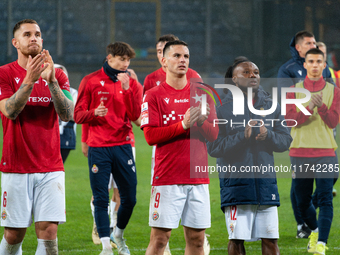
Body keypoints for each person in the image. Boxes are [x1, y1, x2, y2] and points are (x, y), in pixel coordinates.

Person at [0, 19, 74, 255]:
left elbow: (67, 113)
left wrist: (51, 81)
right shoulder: (4, 74)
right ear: (15, 42)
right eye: (27, 34)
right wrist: (30, 80)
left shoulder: (58, 74)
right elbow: (10, 110)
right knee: (14, 234)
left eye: (38, 34)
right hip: (16, 166)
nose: (33, 38)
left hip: (51, 166)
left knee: (49, 232)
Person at [207, 59, 292, 255]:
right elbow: (214, 147)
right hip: (236, 186)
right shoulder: (221, 109)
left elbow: (285, 140)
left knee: (271, 240)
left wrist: (268, 135)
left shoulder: (271, 105)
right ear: (234, 79)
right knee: (236, 241)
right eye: (246, 72)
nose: (253, 75)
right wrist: (242, 137)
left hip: (266, 184)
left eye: (256, 72)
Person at [141, 40, 218, 255]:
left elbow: (214, 135)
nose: (182, 60)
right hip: (167, 178)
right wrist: (183, 125)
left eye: (186, 56)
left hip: (198, 178)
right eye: (176, 56)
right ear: (164, 61)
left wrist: (200, 122)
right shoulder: (153, 95)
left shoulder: (202, 94)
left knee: (197, 240)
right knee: (159, 240)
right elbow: (150, 136)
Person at [74, 42, 142, 255]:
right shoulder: (90, 80)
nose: (126, 64)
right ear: (109, 57)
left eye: (129, 60)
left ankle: (119, 235)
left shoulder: (132, 83)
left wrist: (127, 89)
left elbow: (134, 115)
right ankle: (105, 246)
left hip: (123, 146)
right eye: (122, 59)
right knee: (101, 198)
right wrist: (94, 113)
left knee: (130, 198)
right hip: (99, 148)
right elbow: (77, 115)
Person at [277, 30, 334, 239]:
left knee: (330, 178)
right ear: (299, 47)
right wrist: (310, 104)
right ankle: (303, 223)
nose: (315, 45)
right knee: (299, 185)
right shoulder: (287, 70)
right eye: (310, 43)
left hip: (324, 133)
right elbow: (289, 104)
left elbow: (331, 94)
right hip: (299, 135)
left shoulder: (324, 69)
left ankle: (313, 208)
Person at [285, 48, 340, 255]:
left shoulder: (334, 91)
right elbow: (290, 120)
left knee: (325, 199)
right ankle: (315, 231)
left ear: (324, 65)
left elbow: (334, 121)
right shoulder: (292, 91)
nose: (315, 65)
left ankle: (321, 244)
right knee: (302, 202)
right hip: (299, 152)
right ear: (305, 65)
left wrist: (323, 108)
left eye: (319, 61)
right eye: (311, 61)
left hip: (326, 151)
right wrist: (309, 107)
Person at [55, 64, 78, 163]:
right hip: (47, 133)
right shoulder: (44, 90)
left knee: (58, 165)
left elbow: (74, 114)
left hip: (66, 132)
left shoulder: (72, 92)